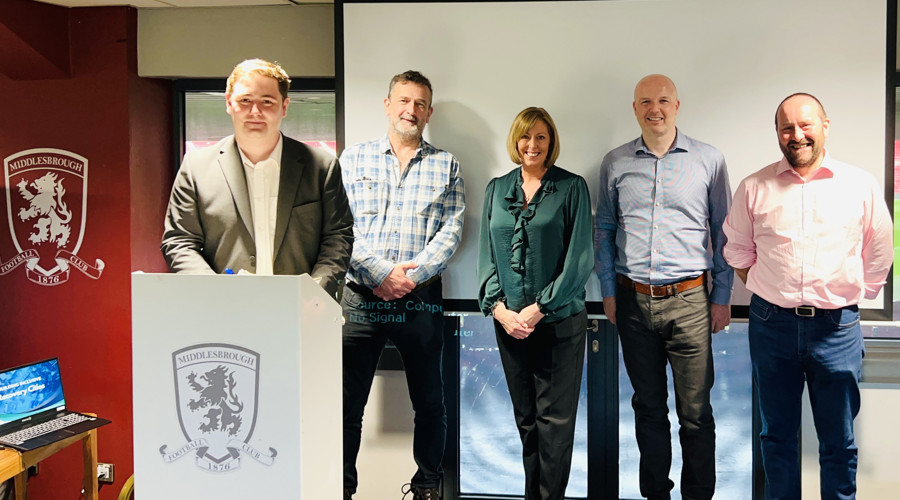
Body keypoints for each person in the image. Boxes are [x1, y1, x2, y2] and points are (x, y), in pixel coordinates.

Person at [723, 93, 893, 500]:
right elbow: (737, 250)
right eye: (786, 127)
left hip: (837, 328)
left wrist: (853, 293)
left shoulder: (860, 185)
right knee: (777, 438)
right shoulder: (754, 186)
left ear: (825, 126)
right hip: (772, 326)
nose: (796, 135)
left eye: (806, 125)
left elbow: (880, 250)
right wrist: (768, 288)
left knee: (839, 442)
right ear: (778, 133)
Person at [594, 74, 732, 500]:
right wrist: (609, 291)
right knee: (648, 411)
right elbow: (604, 229)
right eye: (646, 101)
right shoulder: (615, 162)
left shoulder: (708, 159)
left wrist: (722, 297)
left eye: (663, 101)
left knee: (695, 415)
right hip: (633, 302)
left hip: (691, 300)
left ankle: (697, 496)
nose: (655, 108)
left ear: (677, 106)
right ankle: (656, 494)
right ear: (634, 108)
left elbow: (723, 232)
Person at [340, 70, 465, 500]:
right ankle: (342, 488)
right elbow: (338, 229)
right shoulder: (352, 159)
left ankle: (428, 486)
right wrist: (379, 274)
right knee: (345, 405)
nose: (410, 110)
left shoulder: (446, 165)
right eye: (403, 101)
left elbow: (451, 231)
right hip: (359, 299)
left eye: (419, 103)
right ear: (388, 104)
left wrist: (406, 279)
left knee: (430, 402)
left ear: (429, 112)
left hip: (418, 300)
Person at [161, 58, 353, 298]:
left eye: (267, 101)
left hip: (301, 309)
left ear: (284, 106)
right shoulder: (196, 168)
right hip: (222, 308)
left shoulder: (322, 166)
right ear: (229, 103)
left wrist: (314, 292)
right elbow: (179, 241)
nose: (255, 111)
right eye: (245, 100)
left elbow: (338, 237)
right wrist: (214, 292)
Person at [477, 106, 593, 500]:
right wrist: (500, 310)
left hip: (558, 323)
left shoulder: (571, 187)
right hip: (509, 325)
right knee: (527, 423)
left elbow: (579, 260)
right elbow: (487, 256)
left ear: (551, 142)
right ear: (516, 140)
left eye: (541, 137)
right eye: (526, 136)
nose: (532, 144)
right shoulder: (497, 188)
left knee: (554, 426)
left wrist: (539, 308)